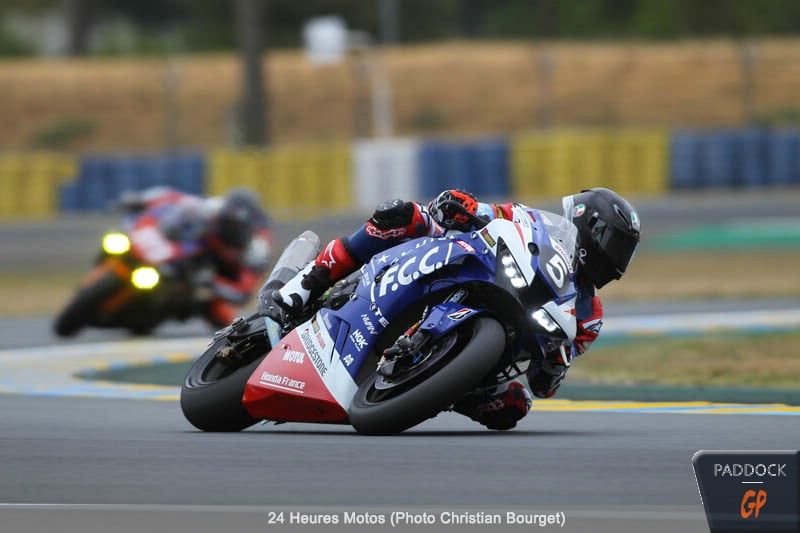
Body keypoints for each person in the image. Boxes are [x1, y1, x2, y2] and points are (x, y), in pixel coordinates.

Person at [271, 188, 640, 430]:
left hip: (501, 345)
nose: (618, 258)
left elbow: (545, 386)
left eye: (624, 250)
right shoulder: (535, 220)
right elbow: (485, 212)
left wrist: (557, 361)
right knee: (401, 214)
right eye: (617, 244)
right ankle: (310, 281)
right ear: (591, 226)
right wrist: (463, 206)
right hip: (466, 265)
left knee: (512, 407)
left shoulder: (590, 316)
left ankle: (436, 387)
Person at [120, 186, 273, 328]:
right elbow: (170, 196)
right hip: (178, 254)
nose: (231, 229)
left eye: (237, 227)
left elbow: (243, 292)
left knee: (224, 316)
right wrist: (141, 199)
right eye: (228, 223)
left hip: (209, 277)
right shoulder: (208, 209)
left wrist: (213, 283)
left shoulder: (257, 248)